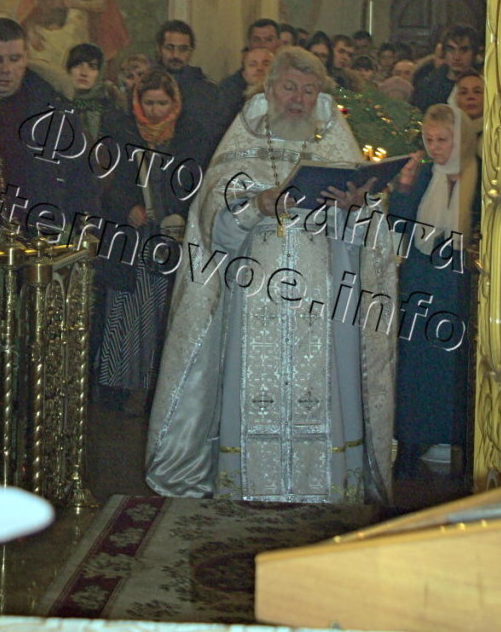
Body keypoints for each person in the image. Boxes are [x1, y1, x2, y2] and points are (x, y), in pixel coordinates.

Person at [146, 46, 398, 504]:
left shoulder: (337, 146)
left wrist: (354, 209)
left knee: (324, 393)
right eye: (289, 88)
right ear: (268, 89)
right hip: (253, 297)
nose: (298, 99)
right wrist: (256, 206)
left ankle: (322, 494)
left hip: (322, 302)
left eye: (309, 90)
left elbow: (368, 243)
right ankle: (248, 488)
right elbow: (211, 227)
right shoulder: (239, 147)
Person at [96, 69, 208, 416]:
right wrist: (126, 206)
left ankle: (159, 390)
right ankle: (122, 388)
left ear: (174, 103)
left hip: (171, 240)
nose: (156, 111)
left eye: (162, 103)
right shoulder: (122, 132)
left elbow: (198, 184)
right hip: (131, 241)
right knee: (127, 314)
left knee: (163, 313)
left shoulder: (190, 136)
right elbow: (106, 181)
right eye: (149, 103)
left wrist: (180, 214)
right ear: (138, 103)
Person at [387, 103, 479, 477]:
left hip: (460, 281)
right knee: (416, 364)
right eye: (430, 140)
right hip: (422, 279)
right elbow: (400, 229)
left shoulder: (481, 177)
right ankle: (412, 439)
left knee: (455, 364)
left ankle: (457, 438)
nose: (436, 148)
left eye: (443, 140)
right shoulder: (425, 176)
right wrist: (404, 188)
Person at [0, 17, 97, 238]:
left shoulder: (54, 109)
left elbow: (81, 180)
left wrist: (81, 233)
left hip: (40, 237)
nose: (6, 69)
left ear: (26, 58)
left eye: (14, 59)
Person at [155, 19, 223, 162]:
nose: (175, 55)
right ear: (159, 49)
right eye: (170, 48)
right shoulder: (144, 86)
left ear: (191, 52)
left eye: (183, 49)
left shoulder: (207, 92)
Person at [412, 25, 478, 111]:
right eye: (451, 50)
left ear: (473, 53)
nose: (456, 57)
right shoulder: (427, 87)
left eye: (463, 50)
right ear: (444, 52)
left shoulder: (483, 86)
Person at [65, 42, 123, 139]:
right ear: (68, 69)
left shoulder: (109, 109)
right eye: (77, 65)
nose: (84, 73)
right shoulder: (58, 103)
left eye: (92, 67)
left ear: (100, 73)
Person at [219, 46, 274, 126]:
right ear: (244, 74)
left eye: (266, 64)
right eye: (253, 65)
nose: (260, 68)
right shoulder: (229, 97)